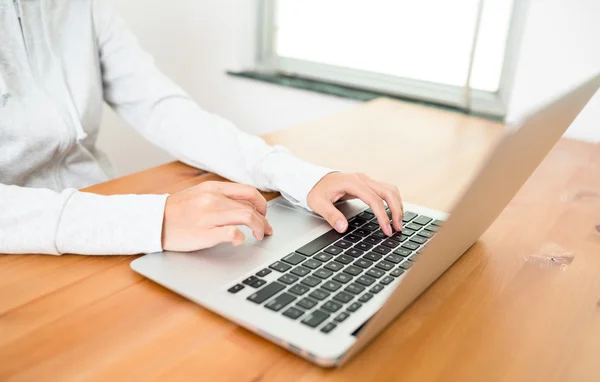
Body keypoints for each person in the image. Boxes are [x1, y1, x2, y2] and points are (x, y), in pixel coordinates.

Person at [0, 0, 403, 256]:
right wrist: (152, 219)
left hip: (105, 225)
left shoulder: (81, 7)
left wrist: (302, 177)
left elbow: (164, 109)